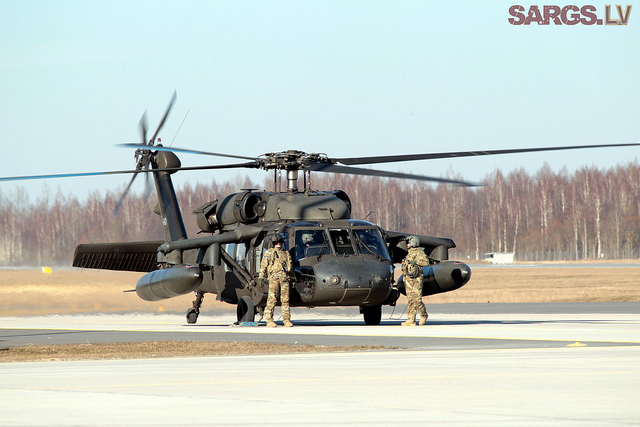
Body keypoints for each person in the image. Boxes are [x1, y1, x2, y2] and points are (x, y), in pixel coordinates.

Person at [259, 234, 293, 327]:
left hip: (284, 278)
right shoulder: (269, 253)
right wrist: (261, 277)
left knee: (285, 300)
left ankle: (286, 320)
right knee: (272, 299)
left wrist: (293, 277)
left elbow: (290, 265)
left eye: (280, 242)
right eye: (277, 242)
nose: (279, 244)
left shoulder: (286, 253)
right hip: (274, 278)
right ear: (274, 243)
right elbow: (263, 265)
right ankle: (269, 320)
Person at [401, 235, 431, 326]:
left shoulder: (419, 253)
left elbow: (426, 263)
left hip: (416, 279)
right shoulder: (408, 254)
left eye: (408, 242)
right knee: (410, 300)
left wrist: (416, 262)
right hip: (408, 279)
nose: (407, 244)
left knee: (417, 299)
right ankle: (411, 320)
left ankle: (423, 314)